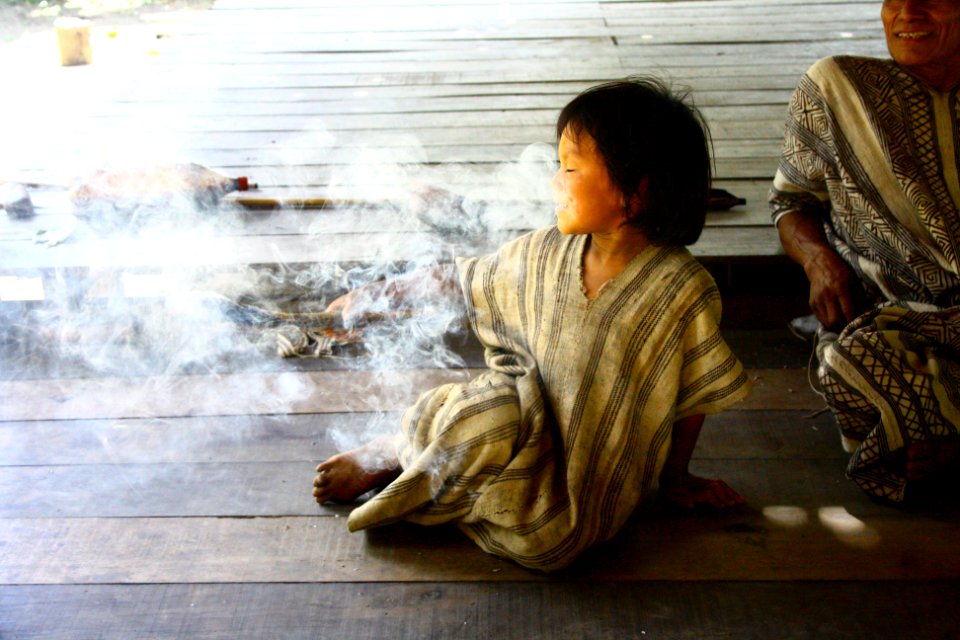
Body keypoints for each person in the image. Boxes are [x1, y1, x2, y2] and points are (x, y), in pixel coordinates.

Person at [314, 77, 753, 572]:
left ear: (637, 191)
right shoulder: (544, 251)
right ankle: (395, 448)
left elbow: (692, 395)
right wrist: (377, 293)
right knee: (485, 414)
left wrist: (677, 479)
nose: (555, 181)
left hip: (588, 473)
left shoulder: (680, 289)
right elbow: (461, 281)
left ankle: (440, 478)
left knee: (553, 544)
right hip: (511, 426)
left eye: (570, 167)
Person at [769, 0, 960, 502]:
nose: (908, 12)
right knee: (854, 358)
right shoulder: (839, 88)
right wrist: (818, 262)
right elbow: (790, 205)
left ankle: (942, 430)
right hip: (900, 320)